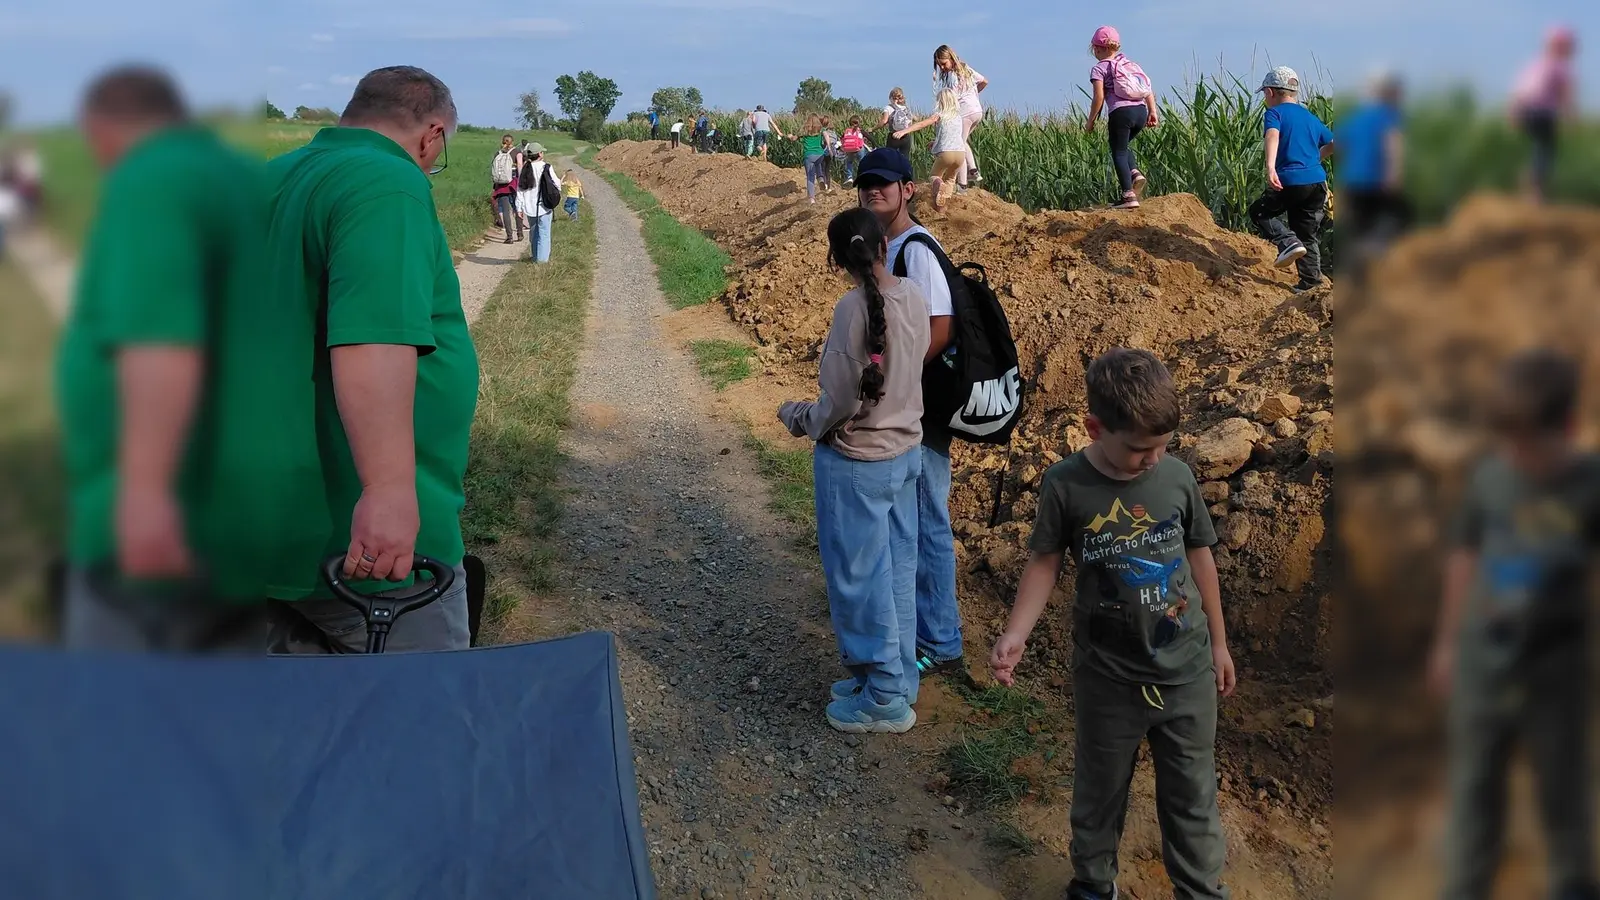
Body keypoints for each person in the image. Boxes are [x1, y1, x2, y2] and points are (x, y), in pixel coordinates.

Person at [57, 65, 325, 651]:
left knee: (120, 721)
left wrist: (145, 496)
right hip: (239, 502)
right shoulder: (234, 178)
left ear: (101, 129)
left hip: (164, 515)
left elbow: (163, 338)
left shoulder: (153, 178)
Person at [990, 347, 1235, 900]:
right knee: (1099, 791)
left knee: (1192, 794)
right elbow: (1046, 561)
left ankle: (1200, 890)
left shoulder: (1175, 478)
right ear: (1095, 427)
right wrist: (1016, 632)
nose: (1152, 460)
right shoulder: (1066, 484)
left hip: (1187, 673)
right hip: (1108, 679)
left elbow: (1201, 559)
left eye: (1162, 446)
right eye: (1139, 449)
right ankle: (1095, 883)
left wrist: (1219, 643)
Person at [264, 65, 478, 653]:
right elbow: (372, 339)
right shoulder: (387, 184)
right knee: (413, 726)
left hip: (257, 525)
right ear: (432, 135)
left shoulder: (271, 181)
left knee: (290, 724)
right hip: (358, 548)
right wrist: (386, 490)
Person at [1427, 348, 1600, 900]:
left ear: (1567, 428)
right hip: (1486, 658)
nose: (1520, 457)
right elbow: (1464, 555)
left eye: (1532, 444)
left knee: (1565, 795)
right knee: (1475, 795)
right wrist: (1448, 644)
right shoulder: (1492, 477)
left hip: (1559, 665)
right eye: (1512, 442)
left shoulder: (1589, 483)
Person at [778, 207, 930, 735]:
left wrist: (801, 418)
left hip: (858, 462)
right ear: (886, 246)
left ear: (837, 259)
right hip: (906, 455)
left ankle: (884, 695)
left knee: (859, 577)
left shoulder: (851, 310)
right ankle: (892, 677)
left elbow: (840, 399)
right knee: (896, 571)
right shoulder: (912, 296)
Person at [854, 148, 963, 680]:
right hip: (908, 403)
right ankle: (923, 630)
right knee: (910, 518)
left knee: (927, 519)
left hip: (923, 405)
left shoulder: (915, 249)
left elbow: (940, 328)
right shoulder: (886, 246)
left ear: (908, 190)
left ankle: (940, 640)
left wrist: (898, 380)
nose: (873, 191)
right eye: (865, 185)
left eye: (883, 184)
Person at [1247, 66, 1334, 294]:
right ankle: (1310, 285)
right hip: (1317, 183)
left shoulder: (1275, 113)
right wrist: (1317, 158)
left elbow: (1272, 134)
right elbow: (1335, 143)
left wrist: (1270, 167)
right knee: (1306, 233)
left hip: (1292, 180)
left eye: (1265, 94)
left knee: (1259, 212)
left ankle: (1286, 242)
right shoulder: (1310, 117)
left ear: (1270, 92)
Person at [1334, 71, 1412, 269]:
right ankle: (1379, 262)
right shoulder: (1388, 114)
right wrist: (1393, 174)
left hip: (1352, 184)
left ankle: (1360, 274)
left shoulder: (1357, 117)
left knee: (1360, 229)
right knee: (1398, 220)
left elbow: (1338, 145)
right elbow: (1392, 143)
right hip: (1375, 182)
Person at [1084, 26, 1160, 209]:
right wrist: (1152, 112)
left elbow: (1099, 98)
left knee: (1118, 151)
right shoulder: (1130, 65)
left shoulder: (1099, 69)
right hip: (1140, 112)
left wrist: (1091, 121)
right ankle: (1135, 174)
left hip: (1121, 113)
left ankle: (1128, 196)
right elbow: (1147, 89)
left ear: (1097, 48)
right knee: (1122, 146)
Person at [1510, 26, 1578, 203]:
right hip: (1543, 113)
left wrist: (1514, 111)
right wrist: (1570, 119)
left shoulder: (1536, 64)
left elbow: (1520, 89)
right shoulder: (1560, 68)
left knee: (1539, 147)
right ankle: (1534, 189)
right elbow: (1566, 96)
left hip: (1528, 110)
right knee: (1545, 149)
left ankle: (1530, 185)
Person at [893, 89, 966, 211]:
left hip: (946, 153)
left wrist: (904, 131)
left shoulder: (939, 115)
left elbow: (923, 124)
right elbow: (951, 134)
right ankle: (941, 209)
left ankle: (939, 185)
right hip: (960, 154)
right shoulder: (959, 117)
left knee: (934, 176)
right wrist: (935, 142)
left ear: (941, 101)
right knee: (951, 179)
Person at [933, 45, 988, 187]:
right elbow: (984, 81)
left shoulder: (952, 76)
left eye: (943, 64)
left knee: (958, 146)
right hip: (977, 111)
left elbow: (951, 99)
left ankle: (963, 184)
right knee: (962, 142)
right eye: (940, 66)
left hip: (964, 113)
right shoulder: (966, 69)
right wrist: (973, 96)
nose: (943, 68)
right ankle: (973, 170)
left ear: (951, 58)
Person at [516, 142, 561, 263]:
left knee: (534, 233)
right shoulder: (546, 167)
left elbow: (520, 190)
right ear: (540, 154)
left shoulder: (525, 169)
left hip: (529, 208)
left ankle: (535, 257)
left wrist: (519, 208)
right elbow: (556, 183)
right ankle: (542, 261)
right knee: (544, 234)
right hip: (544, 205)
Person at [792, 115, 832, 204]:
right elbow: (826, 135)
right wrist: (829, 147)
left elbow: (794, 138)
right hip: (820, 154)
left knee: (810, 177)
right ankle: (821, 180)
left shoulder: (804, 131)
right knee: (818, 166)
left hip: (809, 155)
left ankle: (811, 198)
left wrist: (791, 136)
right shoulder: (821, 130)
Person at [490, 134, 522, 244]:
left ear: (502, 141)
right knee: (518, 208)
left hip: (501, 185)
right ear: (512, 141)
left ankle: (509, 237)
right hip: (514, 183)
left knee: (506, 211)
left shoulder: (498, 153)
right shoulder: (517, 152)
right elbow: (520, 166)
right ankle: (520, 233)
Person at [880, 88, 915, 158]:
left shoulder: (888, 107)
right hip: (905, 136)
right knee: (905, 158)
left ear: (891, 98)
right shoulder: (905, 108)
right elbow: (914, 119)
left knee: (890, 158)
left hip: (894, 136)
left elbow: (884, 121)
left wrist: (873, 128)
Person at [839, 117, 868, 185]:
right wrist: (874, 145)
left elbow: (841, 138)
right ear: (859, 123)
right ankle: (862, 177)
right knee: (862, 163)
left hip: (849, 149)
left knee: (849, 162)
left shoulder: (847, 131)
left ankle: (849, 177)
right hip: (859, 148)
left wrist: (841, 147)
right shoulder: (860, 131)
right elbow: (870, 138)